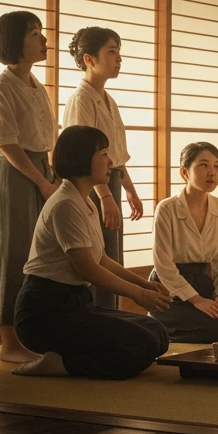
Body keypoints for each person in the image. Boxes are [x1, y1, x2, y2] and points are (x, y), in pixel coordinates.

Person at [12, 125, 170, 378]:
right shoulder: (65, 204)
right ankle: (62, 365)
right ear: (82, 158)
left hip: (76, 304)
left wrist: (145, 285)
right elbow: (89, 270)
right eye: (104, 154)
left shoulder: (84, 201)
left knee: (157, 332)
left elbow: (101, 259)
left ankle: (67, 356)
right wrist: (138, 294)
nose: (110, 162)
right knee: (144, 343)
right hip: (44, 312)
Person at [0, 10, 59, 363]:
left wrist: (54, 174)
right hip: (16, 174)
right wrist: (42, 180)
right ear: (15, 41)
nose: (43, 40)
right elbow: (8, 144)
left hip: (43, 170)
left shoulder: (36, 84)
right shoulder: (2, 87)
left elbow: (49, 136)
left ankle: (35, 332)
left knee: (40, 256)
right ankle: (9, 342)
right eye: (34, 33)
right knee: (12, 255)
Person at [62, 26, 144, 309]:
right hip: (91, 187)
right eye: (111, 51)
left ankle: (112, 314)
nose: (118, 58)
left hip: (110, 182)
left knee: (111, 252)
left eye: (119, 51)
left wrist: (130, 189)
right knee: (97, 254)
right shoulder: (81, 99)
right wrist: (106, 197)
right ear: (89, 59)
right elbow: (84, 157)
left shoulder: (108, 100)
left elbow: (115, 155)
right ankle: (100, 316)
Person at [149, 142, 218, 343]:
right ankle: (158, 326)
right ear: (185, 173)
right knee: (212, 331)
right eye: (204, 165)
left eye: (217, 166)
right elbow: (163, 265)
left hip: (204, 285)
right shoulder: (167, 209)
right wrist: (196, 301)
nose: (212, 173)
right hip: (169, 290)